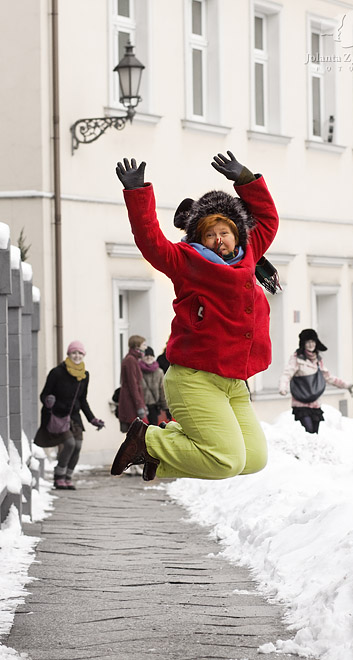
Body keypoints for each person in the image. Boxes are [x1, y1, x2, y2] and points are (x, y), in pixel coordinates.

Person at [111, 150, 279, 482]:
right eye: (210, 234)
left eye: (225, 232)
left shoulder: (250, 255)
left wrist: (246, 179)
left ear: (236, 234)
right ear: (199, 238)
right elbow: (151, 242)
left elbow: (269, 219)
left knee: (254, 459)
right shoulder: (187, 261)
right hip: (195, 378)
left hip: (233, 381)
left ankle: (155, 455)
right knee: (226, 461)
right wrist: (137, 193)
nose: (219, 239)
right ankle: (148, 439)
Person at [38, 340, 105, 489]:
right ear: (68, 354)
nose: (77, 356)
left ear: (83, 355)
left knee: (78, 446)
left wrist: (92, 419)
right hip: (58, 415)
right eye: (74, 353)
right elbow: (44, 394)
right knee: (69, 444)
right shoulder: (57, 373)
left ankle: (68, 477)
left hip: (74, 416)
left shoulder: (84, 375)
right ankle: (59, 476)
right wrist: (49, 401)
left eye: (80, 353)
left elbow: (82, 400)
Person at [279, 328, 353, 434]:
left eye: (313, 341)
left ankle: (311, 450)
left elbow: (329, 377)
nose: (311, 344)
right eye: (308, 342)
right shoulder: (297, 359)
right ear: (303, 344)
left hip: (315, 403)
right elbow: (286, 375)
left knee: (314, 433)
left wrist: (346, 385)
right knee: (308, 430)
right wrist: (283, 388)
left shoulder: (318, 360)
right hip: (301, 403)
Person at [117, 335, 147, 432]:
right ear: (137, 345)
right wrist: (139, 406)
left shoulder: (133, 359)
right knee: (137, 434)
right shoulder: (131, 360)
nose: (145, 347)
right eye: (144, 344)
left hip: (133, 403)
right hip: (131, 405)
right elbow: (133, 385)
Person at [139, 347, 171, 425]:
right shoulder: (138, 370)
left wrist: (166, 408)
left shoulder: (159, 372)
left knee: (153, 431)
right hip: (141, 408)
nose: (148, 357)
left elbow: (162, 391)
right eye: (146, 355)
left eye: (151, 355)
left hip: (154, 408)